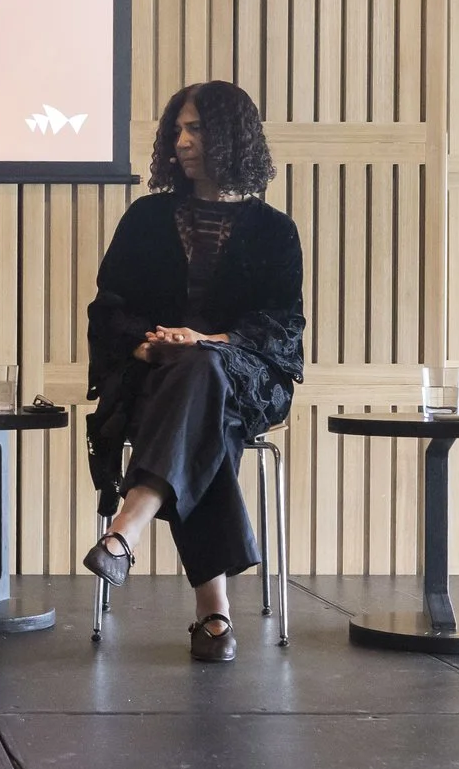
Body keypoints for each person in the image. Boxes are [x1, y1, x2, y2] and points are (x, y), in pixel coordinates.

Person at [82, 81, 303, 663]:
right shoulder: (146, 218)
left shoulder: (275, 230)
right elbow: (108, 311)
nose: (181, 141)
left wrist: (207, 342)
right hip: (154, 375)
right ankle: (214, 613)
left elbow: (282, 327)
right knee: (203, 412)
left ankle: (129, 523)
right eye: (177, 129)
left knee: (204, 373)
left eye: (196, 129)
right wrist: (149, 347)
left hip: (246, 376)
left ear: (232, 136)